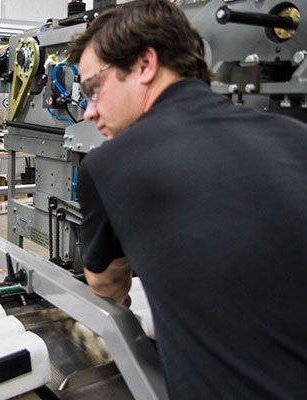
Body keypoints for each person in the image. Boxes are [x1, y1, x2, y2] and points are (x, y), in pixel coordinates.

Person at [69, 0, 307, 398]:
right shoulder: (296, 137)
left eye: (94, 88)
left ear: (145, 64)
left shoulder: (110, 164)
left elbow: (107, 290)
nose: (90, 111)